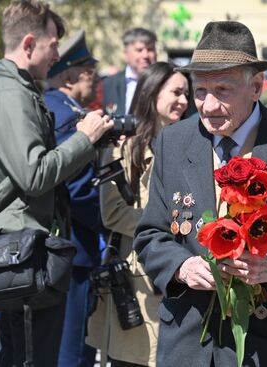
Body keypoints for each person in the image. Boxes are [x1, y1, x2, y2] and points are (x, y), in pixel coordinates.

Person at [132, 20, 267, 366]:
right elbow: (150, 236)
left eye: (223, 90)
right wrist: (181, 266)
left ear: (257, 87)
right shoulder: (172, 143)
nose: (208, 105)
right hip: (190, 346)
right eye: (200, 91)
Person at [0, 1, 114, 366]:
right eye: (52, 45)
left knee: (22, 356)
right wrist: (84, 139)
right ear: (29, 44)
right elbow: (34, 175)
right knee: (32, 357)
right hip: (23, 255)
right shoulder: (9, 94)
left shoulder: (13, 90)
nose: (57, 55)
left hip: (23, 252)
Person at [87, 61, 190, 367]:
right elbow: (112, 213)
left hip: (185, 273)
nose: (184, 101)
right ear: (152, 93)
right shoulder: (126, 147)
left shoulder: (193, 144)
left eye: (187, 93)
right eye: (176, 92)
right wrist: (169, 228)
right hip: (138, 279)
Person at [44, 30, 104, 367]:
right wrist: (109, 217)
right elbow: (79, 189)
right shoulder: (68, 115)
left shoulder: (57, 106)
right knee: (74, 351)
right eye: (89, 74)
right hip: (77, 248)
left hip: (65, 247)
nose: (95, 83)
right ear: (68, 75)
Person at [101, 27, 157, 115]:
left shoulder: (162, 83)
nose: (145, 55)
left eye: (150, 49)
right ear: (126, 54)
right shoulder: (108, 84)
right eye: (139, 50)